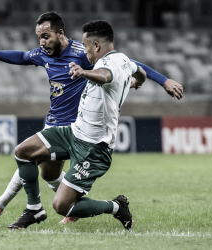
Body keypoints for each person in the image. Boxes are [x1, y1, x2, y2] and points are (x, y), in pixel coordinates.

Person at [0, 11, 183, 228]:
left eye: (46, 36)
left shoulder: (84, 53)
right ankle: (47, 207)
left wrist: (163, 80)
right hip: (58, 124)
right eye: (39, 37)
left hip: (84, 131)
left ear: (60, 33)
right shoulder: (43, 54)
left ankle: (6, 205)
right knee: (40, 166)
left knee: (48, 181)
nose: (42, 42)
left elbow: (124, 64)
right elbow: (22, 57)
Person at [10, 19, 147, 230]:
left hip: (94, 147)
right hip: (73, 132)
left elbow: (104, 76)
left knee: (62, 205)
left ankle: (116, 206)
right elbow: (141, 72)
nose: (84, 51)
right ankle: (34, 208)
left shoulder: (106, 65)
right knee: (23, 151)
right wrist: (136, 81)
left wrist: (83, 72)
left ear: (97, 46)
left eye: (85, 46)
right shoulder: (124, 60)